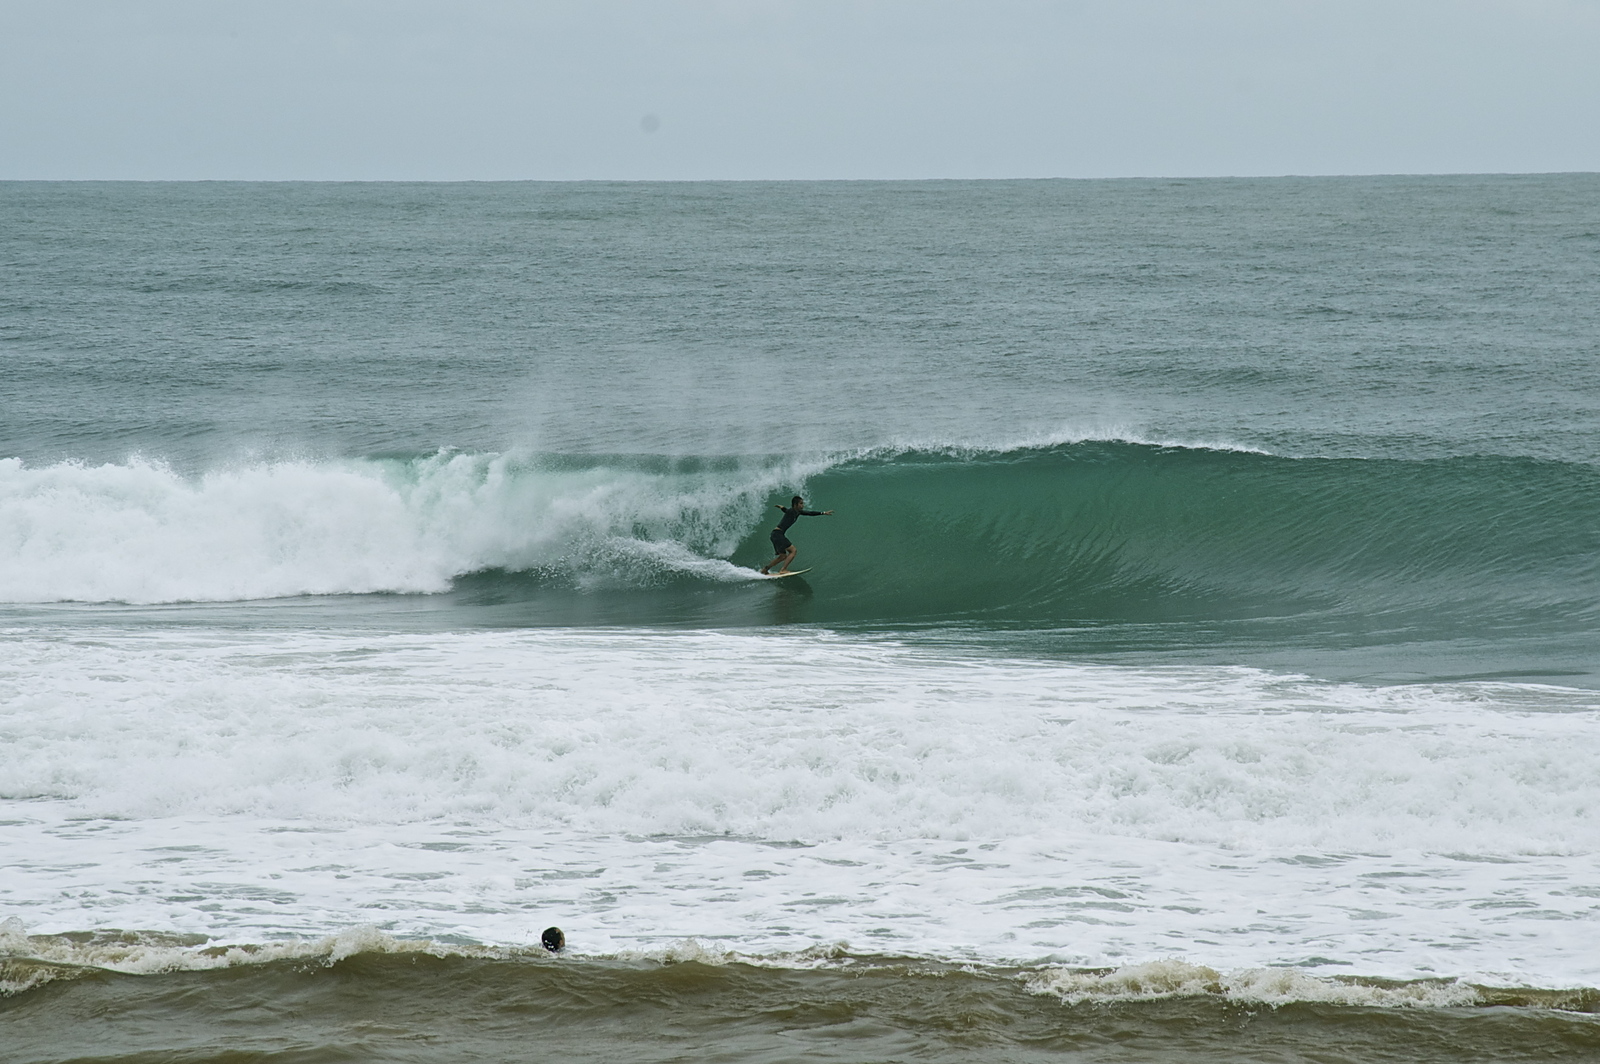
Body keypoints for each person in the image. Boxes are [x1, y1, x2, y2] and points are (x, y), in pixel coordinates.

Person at [760, 495, 833, 574]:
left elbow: (810, 513)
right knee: (793, 551)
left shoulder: (798, 512)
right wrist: (783, 508)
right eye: (801, 503)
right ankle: (783, 570)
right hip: (778, 534)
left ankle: (765, 569)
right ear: (795, 504)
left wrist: (823, 513)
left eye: (802, 503)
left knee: (782, 556)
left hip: (775, 535)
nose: (802, 505)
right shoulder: (791, 511)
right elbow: (787, 511)